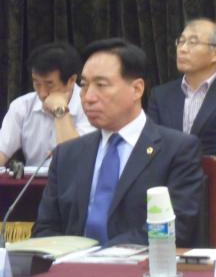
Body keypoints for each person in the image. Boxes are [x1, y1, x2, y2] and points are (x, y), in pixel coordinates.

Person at [32, 39, 203, 247]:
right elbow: (45, 229)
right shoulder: (67, 153)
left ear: (137, 89)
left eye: (101, 85)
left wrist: (97, 256)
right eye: (84, 86)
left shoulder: (176, 150)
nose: (88, 97)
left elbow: (174, 229)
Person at [148, 18, 216, 168]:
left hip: (212, 178)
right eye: (181, 41)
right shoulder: (160, 95)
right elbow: (150, 146)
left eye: (193, 42)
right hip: (167, 179)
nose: (182, 49)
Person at [0, 42, 94, 166]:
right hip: (32, 178)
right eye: (37, 83)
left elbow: (74, 161)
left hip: (75, 178)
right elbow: (2, 151)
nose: (42, 93)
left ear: (71, 80)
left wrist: (60, 110)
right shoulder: (22, 106)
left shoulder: (90, 106)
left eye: (49, 84)